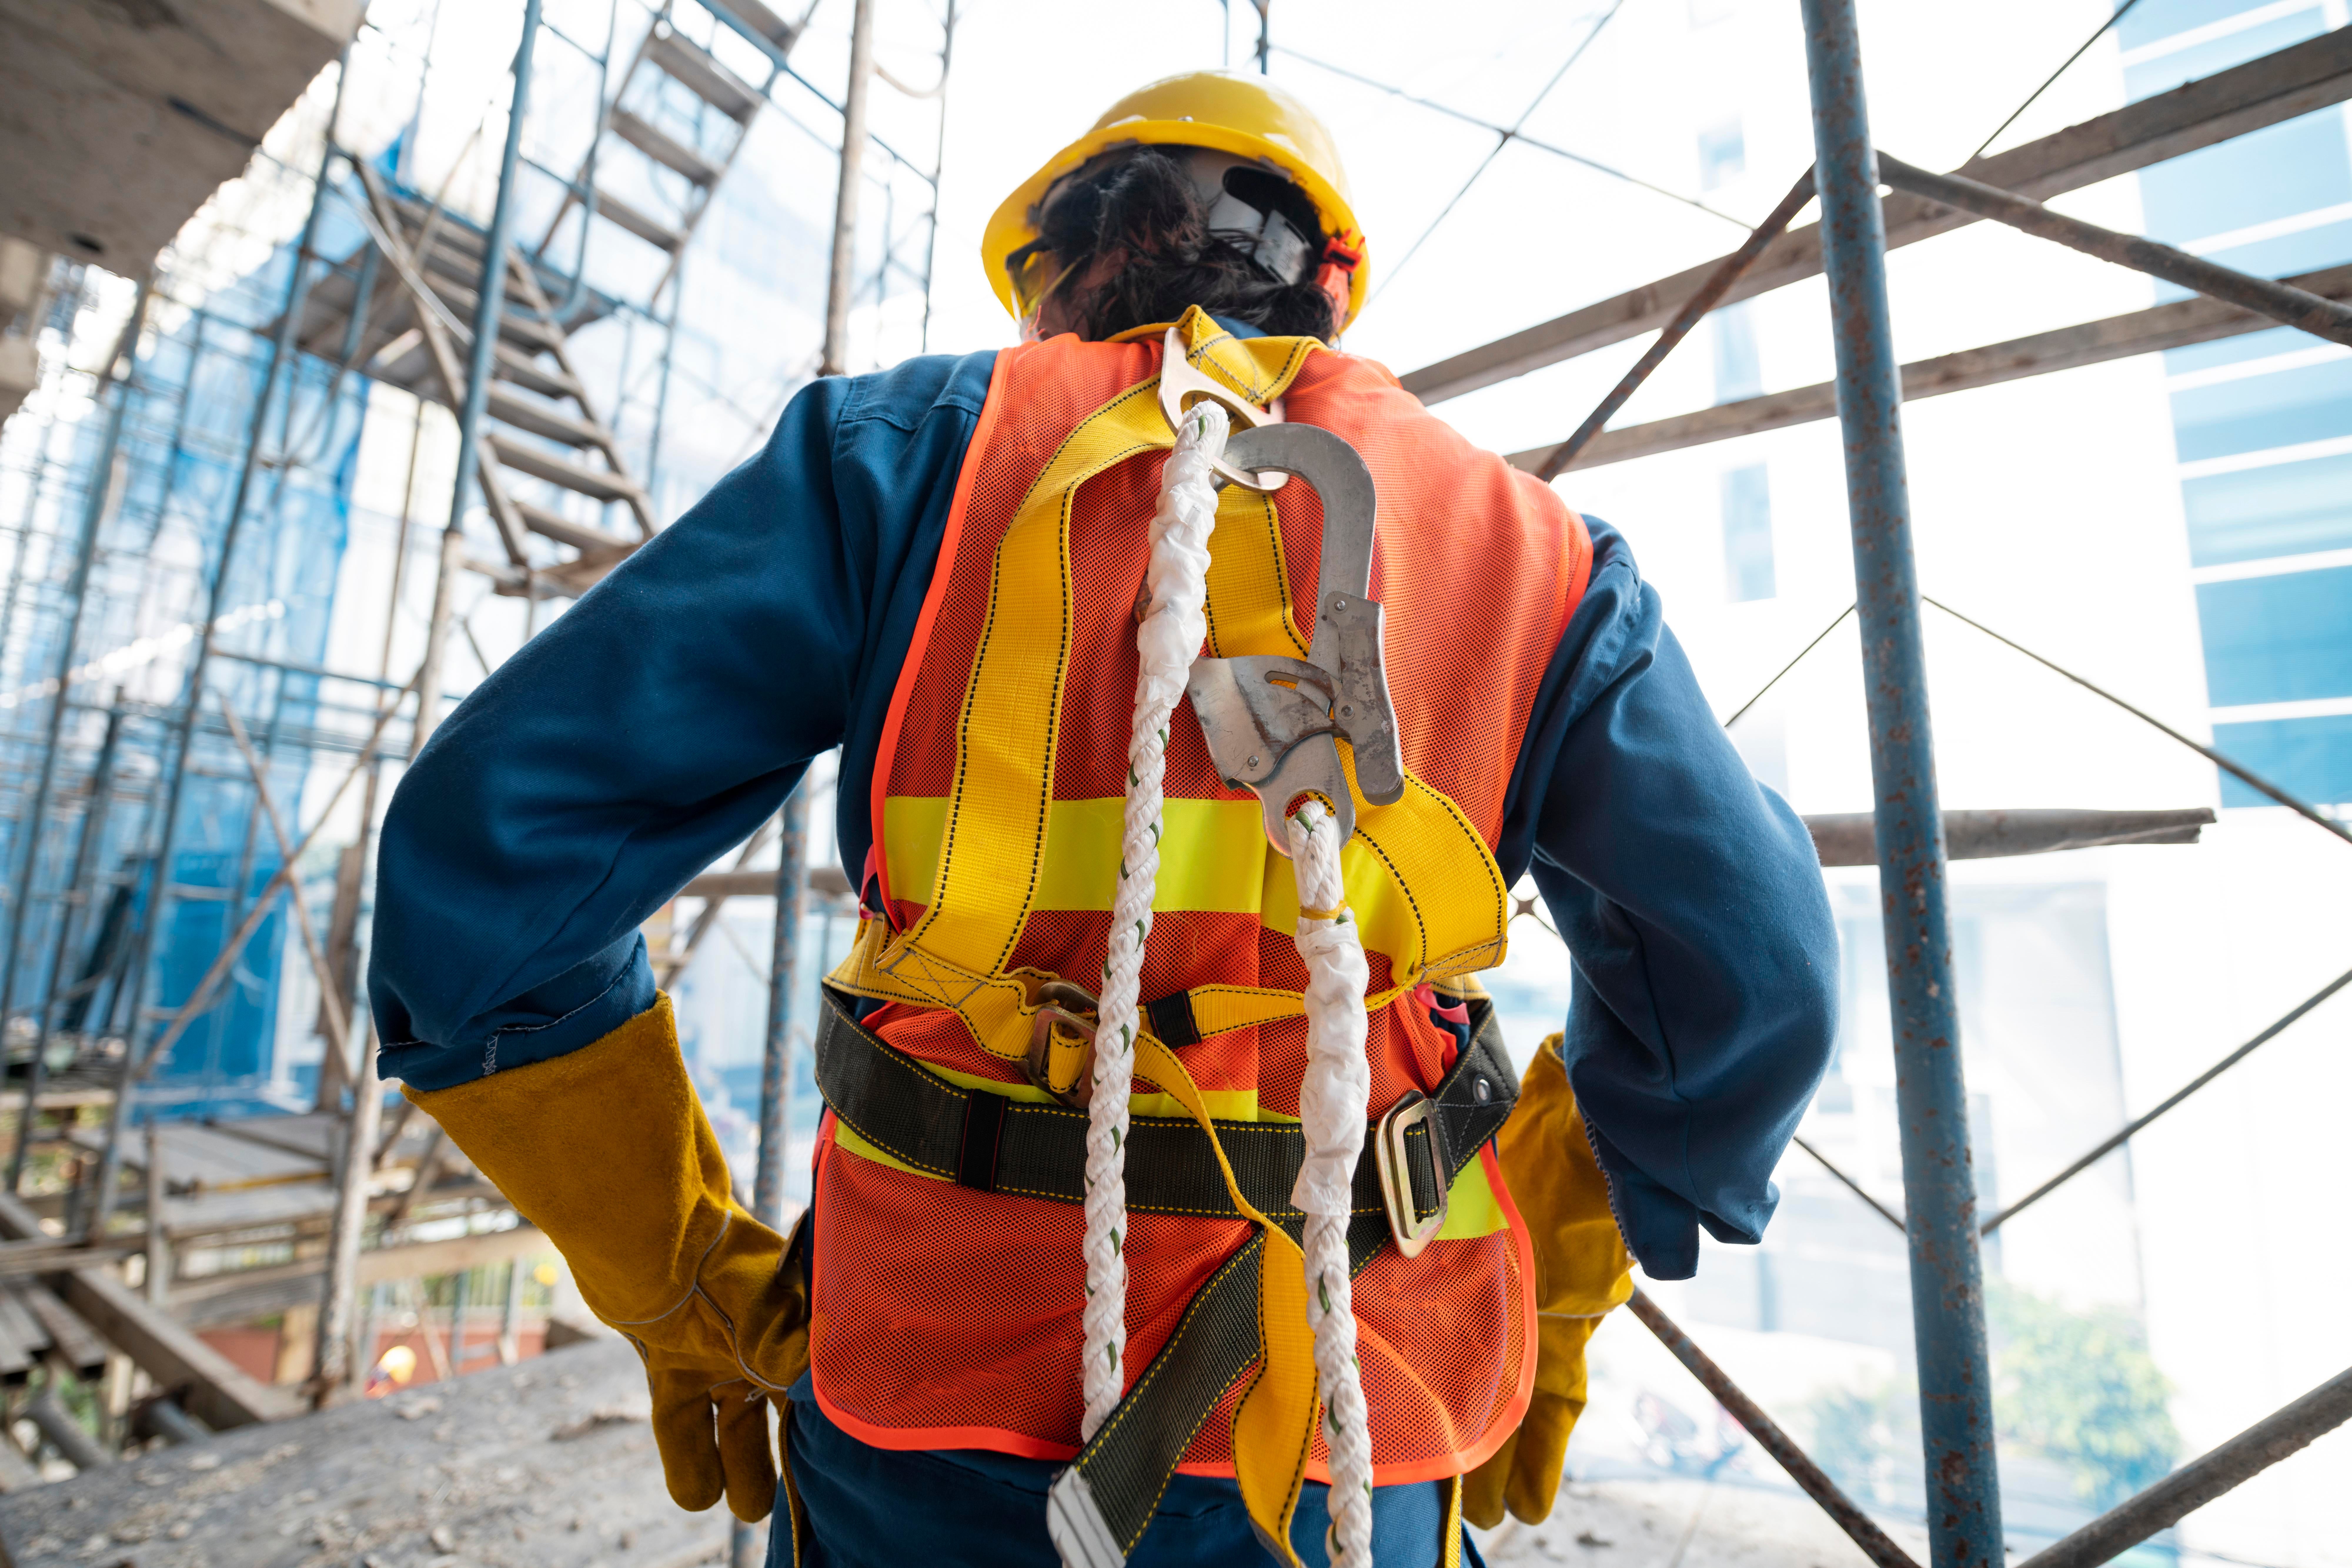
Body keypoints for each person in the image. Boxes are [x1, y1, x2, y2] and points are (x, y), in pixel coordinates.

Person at [369, 71, 1836, 1568]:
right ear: (1326, 282)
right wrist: (1568, 1245)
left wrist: (676, 1271)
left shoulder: (903, 459)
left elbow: (483, 860)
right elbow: (1755, 961)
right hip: (1361, 1398)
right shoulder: (1531, 551)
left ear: (1054, 275)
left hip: (930, 1384)